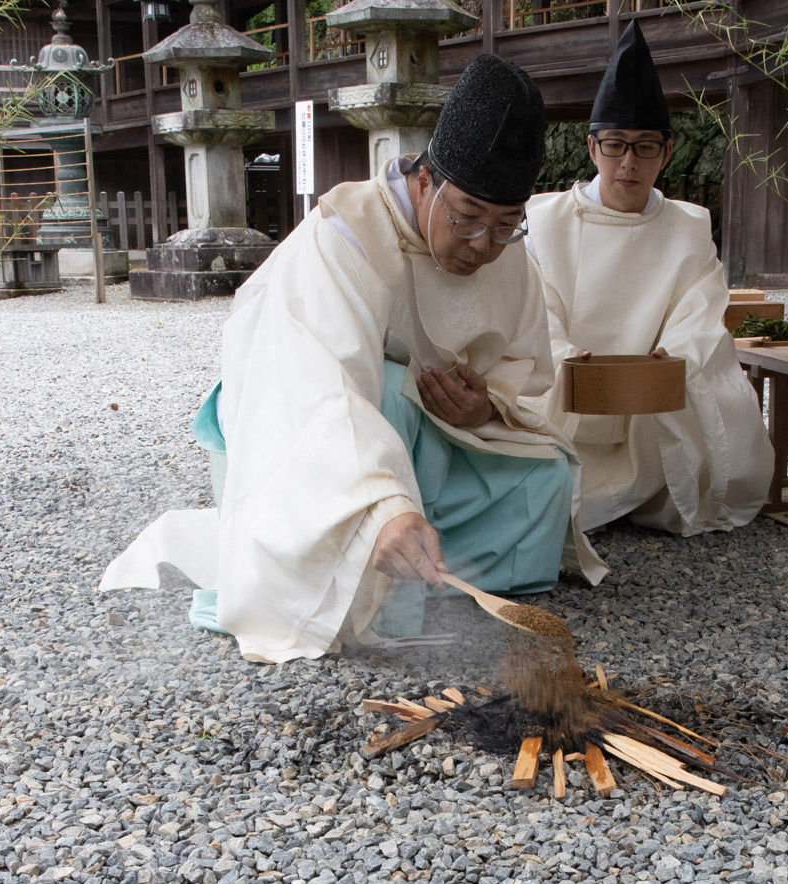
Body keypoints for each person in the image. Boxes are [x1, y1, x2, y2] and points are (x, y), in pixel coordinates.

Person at [101, 55, 605, 663]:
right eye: (468, 218)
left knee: (545, 475)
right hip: (308, 435)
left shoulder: (505, 252)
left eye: (505, 226)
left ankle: (435, 575)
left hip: (440, 448)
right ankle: (381, 578)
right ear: (425, 182)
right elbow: (316, 388)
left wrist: (486, 405)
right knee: (392, 393)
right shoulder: (343, 236)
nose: (482, 247)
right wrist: (383, 506)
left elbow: (524, 371)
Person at [524, 23, 774, 536]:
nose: (628, 163)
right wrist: (567, 353)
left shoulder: (688, 224)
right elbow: (533, 305)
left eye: (644, 147)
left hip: (651, 390)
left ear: (667, 151)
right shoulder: (546, 221)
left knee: (708, 383)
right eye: (615, 146)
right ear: (593, 148)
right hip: (568, 383)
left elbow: (700, 307)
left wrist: (673, 354)